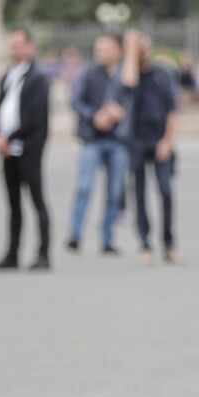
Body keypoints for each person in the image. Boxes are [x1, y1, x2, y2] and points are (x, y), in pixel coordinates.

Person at [0, 27, 52, 272]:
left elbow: (32, 117)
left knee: (37, 201)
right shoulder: (7, 76)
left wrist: (9, 136)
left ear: (30, 47)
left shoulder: (38, 78)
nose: (14, 49)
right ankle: (12, 253)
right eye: (11, 45)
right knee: (13, 204)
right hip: (7, 149)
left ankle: (43, 253)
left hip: (29, 148)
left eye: (18, 45)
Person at [66, 33, 129, 255]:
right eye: (98, 48)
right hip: (92, 139)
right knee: (84, 188)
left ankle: (108, 239)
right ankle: (75, 234)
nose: (100, 52)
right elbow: (75, 100)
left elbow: (133, 100)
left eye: (105, 48)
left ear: (117, 51)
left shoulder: (124, 75)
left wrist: (120, 113)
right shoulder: (88, 74)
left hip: (118, 140)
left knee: (114, 192)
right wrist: (94, 116)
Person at [121, 29, 180, 265]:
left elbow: (172, 111)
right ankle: (144, 243)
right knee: (140, 195)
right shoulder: (126, 72)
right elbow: (128, 84)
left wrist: (168, 141)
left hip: (159, 140)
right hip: (135, 141)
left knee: (165, 191)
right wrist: (131, 52)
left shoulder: (162, 74)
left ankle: (168, 243)